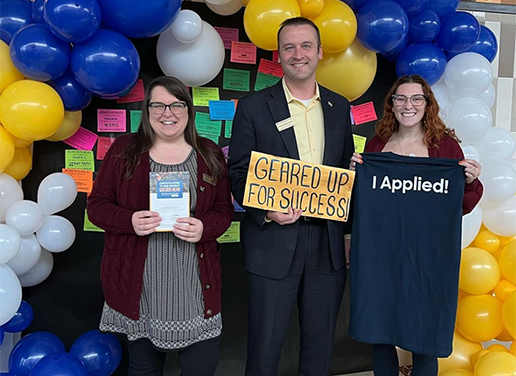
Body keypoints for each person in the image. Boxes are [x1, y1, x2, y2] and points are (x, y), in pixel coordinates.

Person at [228, 17, 354, 376]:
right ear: (279, 55)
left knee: (319, 347)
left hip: (327, 245)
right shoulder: (253, 107)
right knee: (265, 349)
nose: (298, 54)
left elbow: (345, 173)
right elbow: (238, 174)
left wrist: (347, 235)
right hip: (274, 241)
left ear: (319, 52)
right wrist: (267, 211)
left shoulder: (339, 107)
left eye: (305, 46)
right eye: (289, 47)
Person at [87, 76, 233, 376]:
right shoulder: (124, 150)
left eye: (176, 104)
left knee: (201, 369)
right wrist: (129, 221)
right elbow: (96, 208)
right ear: (147, 110)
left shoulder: (209, 153)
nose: (168, 113)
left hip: (195, 291)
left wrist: (204, 228)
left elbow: (223, 211)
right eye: (159, 105)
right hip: (140, 291)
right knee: (143, 369)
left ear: (188, 110)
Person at [349, 74, 483, 376]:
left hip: (428, 258)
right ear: (392, 105)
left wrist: (471, 181)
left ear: (427, 104)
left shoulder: (446, 147)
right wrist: (355, 175)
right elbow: (364, 202)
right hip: (381, 256)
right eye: (400, 98)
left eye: (416, 98)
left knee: (425, 333)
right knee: (378, 330)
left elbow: (459, 204)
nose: (407, 105)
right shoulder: (377, 144)